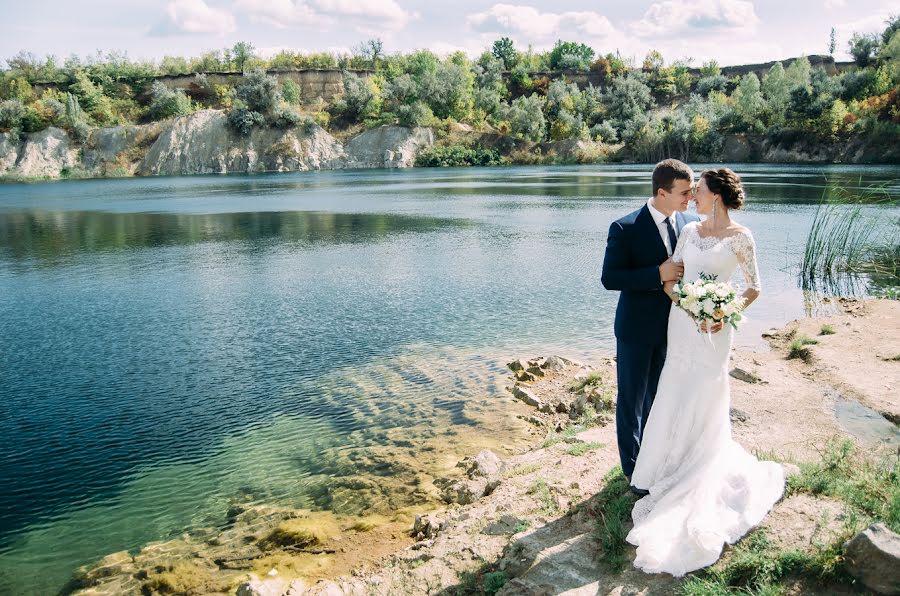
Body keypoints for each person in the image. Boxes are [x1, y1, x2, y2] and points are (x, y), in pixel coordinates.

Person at [626, 168, 785, 577]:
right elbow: (672, 274)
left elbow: (754, 287)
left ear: (716, 195)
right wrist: (684, 302)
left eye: (698, 191)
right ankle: (662, 466)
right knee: (674, 389)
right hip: (682, 325)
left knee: (705, 391)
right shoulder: (689, 231)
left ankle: (699, 462)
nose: (693, 196)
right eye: (691, 191)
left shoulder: (742, 238)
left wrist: (723, 312)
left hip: (715, 332)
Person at [601, 159, 700, 493]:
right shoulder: (625, 227)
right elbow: (610, 278)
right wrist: (656, 275)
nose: (691, 198)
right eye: (685, 193)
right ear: (662, 192)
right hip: (636, 329)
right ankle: (633, 473)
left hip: (676, 329)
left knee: (661, 397)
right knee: (632, 399)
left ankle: (656, 460)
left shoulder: (690, 222)